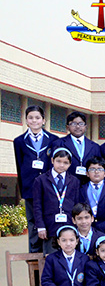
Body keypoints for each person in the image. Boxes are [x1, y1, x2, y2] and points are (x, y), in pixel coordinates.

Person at [14, 105, 56, 252]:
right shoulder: (19, 141)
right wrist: (23, 189)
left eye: (37, 118)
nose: (34, 120)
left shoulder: (53, 139)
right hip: (30, 188)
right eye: (30, 118)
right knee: (32, 221)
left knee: (48, 219)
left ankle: (49, 253)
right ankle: (34, 253)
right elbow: (19, 165)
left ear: (43, 120)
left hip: (48, 188)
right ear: (26, 120)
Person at [33, 148, 81, 254]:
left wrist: (77, 225)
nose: (61, 165)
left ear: (70, 164)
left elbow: (77, 205)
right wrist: (40, 226)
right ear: (52, 160)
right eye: (58, 161)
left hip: (69, 225)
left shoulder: (74, 181)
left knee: (69, 255)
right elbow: (37, 205)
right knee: (51, 257)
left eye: (65, 163)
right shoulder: (41, 180)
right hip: (49, 226)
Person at [51, 112, 101, 182]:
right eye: (73, 124)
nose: (77, 127)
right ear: (67, 127)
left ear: (85, 126)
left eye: (81, 124)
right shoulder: (59, 143)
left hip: (87, 184)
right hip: (66, 183)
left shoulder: (95, 147)